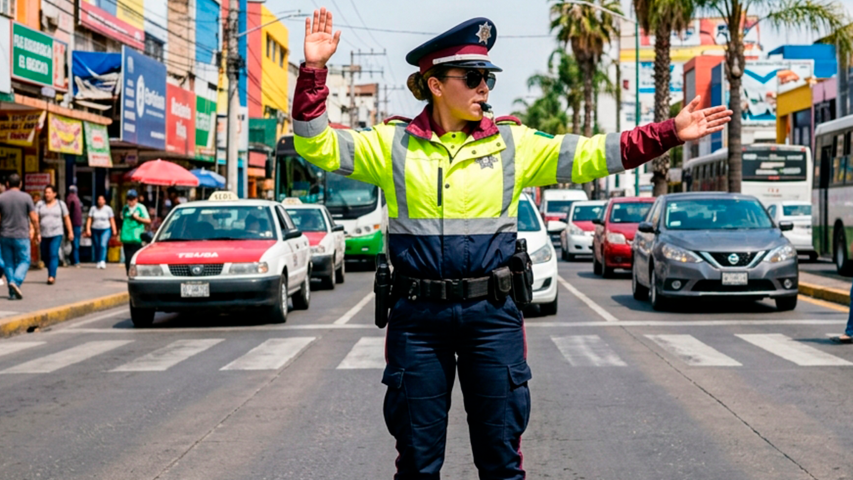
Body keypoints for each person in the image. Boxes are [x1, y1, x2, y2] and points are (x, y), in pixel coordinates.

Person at [294, 10, 732, 479]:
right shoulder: (393, 144)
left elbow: (591, 155)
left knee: (501, 462)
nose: (485, 87)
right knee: (417, 464)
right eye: (474, 76)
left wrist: (668, 133)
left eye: (489, 78)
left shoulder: (513, 144)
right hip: (418, 323)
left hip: (492, 318)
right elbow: (315, 145)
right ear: (436, 84)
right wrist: (314, 70)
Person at [0, 173, 39, 299]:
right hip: (21, 235)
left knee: (8, 263)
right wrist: (37, 232)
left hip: (5, 235)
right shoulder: (26, 197)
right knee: (24, 260)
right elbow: (34, 218)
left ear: (7, 184)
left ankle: (12, 293)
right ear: (20, 184)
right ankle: (15, 281)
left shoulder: (1, 197)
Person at [36, 185, 73, 285]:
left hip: (57, 233)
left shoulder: (61, 204)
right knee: (45, 255)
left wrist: (70, 232)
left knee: (53, 253)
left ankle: (51, 276)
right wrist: (36, 232)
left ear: (54, 194)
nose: (47, 194)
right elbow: (36, 219)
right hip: (43, 234)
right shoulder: (40, 204)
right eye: (46, 192)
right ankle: (50, 270)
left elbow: (66, 218)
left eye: (49, 192)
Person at [120, 189, 150, 273]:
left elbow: (148, 220)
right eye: (129, 198)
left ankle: (137, 273)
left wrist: (138, 218)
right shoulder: (125, 208)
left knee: (136, 258)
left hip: (136, 237)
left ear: (136, 199)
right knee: (128, 258)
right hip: (126, 236)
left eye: (132, 198)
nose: (130, 201)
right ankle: (129, 274)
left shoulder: (140, 207)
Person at [85, 195, 116, 269]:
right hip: (95, 229)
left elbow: (111, 219)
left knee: (103, 244)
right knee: (97, 245)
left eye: (102, 199)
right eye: (99, 199)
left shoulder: (108, 209)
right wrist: (88, 229)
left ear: (105, 201)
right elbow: (89, 219)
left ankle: (102, 260)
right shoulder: (93, 209)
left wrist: (114, 229)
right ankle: (98, 260)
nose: (100, 201)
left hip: (105, 228)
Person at [65, 185, 83, 266]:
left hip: (74, 223)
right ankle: (75, 260)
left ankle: (74, 259)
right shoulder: (73, 199)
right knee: (75, 242)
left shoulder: (70, 198)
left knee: (72, 242)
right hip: (74, 223)